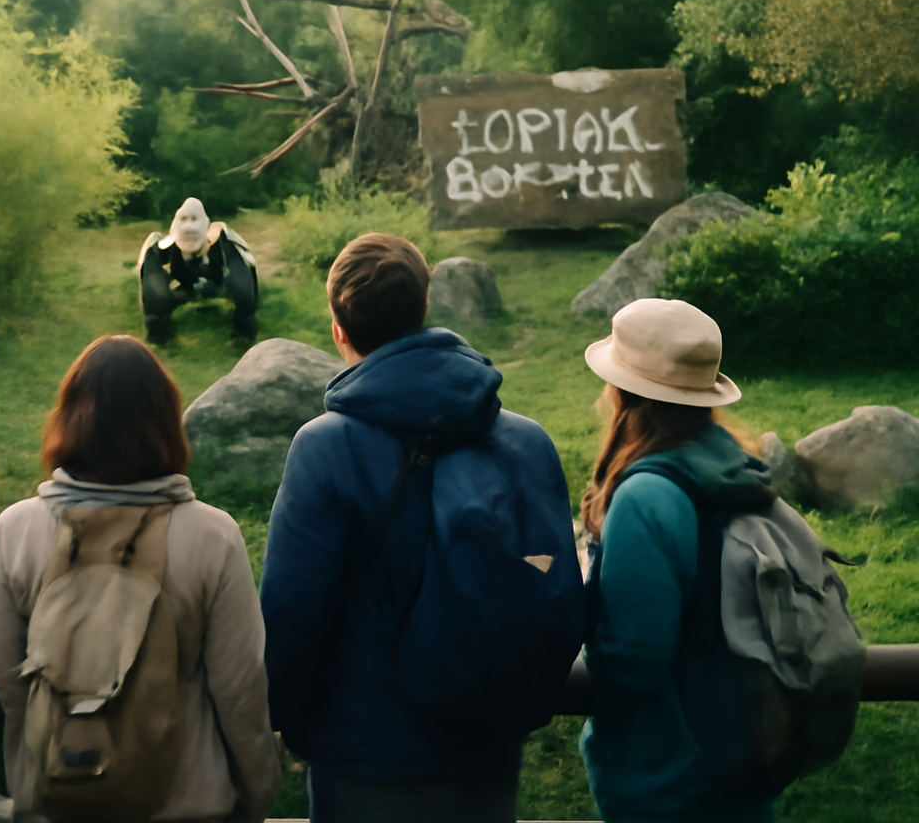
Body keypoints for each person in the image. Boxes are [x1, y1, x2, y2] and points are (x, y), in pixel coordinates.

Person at [260, 232, 578, 823]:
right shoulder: (527, 441)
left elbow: (292, 610)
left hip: (365, 757)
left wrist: (289, 722)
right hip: (487, 749)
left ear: (340, 331)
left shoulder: (326, 449)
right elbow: (556, 585)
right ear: (424, 310)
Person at [0, 335, 280, 823]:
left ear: (69, 417)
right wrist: (256, 790)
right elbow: (240, 689)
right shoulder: (213, 536)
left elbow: (3, 670)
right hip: (187, 803)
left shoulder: (17, 529)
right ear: (165, 422)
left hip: (56, 796)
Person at [578, 298, 776, 823]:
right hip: (739, 758)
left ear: (620, 391)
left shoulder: (646, 497)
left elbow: (634, 659)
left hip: (667, 779)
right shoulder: (734, 466)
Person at [138, 197, 259, 340]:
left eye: (194, 219)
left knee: (242, 290)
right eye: (184, 220)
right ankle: (161, 335)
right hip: (182, 283)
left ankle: (243, 334)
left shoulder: (222, 242)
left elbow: (244, 281)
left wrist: (247, 315)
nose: (189, 227)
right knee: (157, 298)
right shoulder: (160, 249)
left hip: (216, 280)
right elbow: (152, 290)